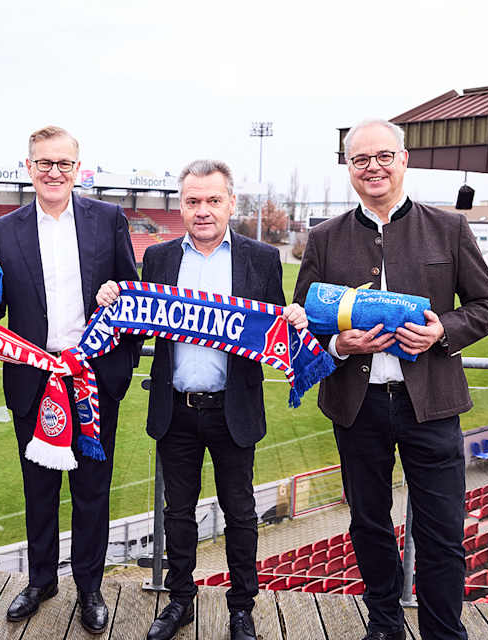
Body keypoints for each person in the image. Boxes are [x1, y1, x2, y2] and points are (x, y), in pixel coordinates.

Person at [292, 119, 488, 640]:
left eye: (384, 156)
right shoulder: (324, 238)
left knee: (441, 534)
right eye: (361, 160)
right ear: (348, 169)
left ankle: (442, 632)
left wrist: (441, 332)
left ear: (404, 159)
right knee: (369, 525)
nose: (374, 168)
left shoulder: (449, 228)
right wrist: (337, 345)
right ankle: (384, 626)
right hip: (356, 406)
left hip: (431, 406)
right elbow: (298, 321)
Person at [108, 160, 306, 640]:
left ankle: (242, 607)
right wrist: (115, 297)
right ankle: (180, 600)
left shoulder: (261, 259)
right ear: (181, 205)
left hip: (233, 409)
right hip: (176, 408)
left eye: (213, 200)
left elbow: (275, 330)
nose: (202, 210)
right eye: (193, 201)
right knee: (177, 513)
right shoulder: (157, 258)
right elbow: (136, 320)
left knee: (240, 513)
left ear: (231, 203)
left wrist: (294, 320)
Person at [0, 125, 139, 634]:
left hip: (92, 376)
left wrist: (119, 364)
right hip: (33, 377)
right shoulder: (4, 230)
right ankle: (40, 581)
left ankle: (90, 588)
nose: (54, 173)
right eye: (44, 164)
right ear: (28, 168)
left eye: (64, 164)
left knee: (92, 490)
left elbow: (135, 297)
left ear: (78, 168)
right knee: (39, 487)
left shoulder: (108, 219)